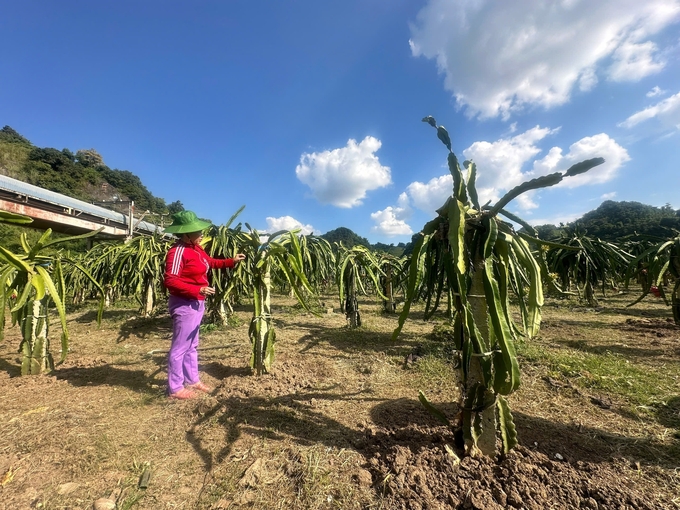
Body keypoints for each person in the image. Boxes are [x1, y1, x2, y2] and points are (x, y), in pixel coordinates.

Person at [163, 210, 246, 400]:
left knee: (192, 344)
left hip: (197, 303)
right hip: (184, 303)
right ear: (185, 234)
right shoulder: (177, 252)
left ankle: (192, 380)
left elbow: (210, 263)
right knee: (180, 347)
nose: (201, 234)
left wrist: (231, 261)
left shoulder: (196, 249)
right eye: (197, 231)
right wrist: (197, 290)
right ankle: (175, 388)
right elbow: (170, 280)